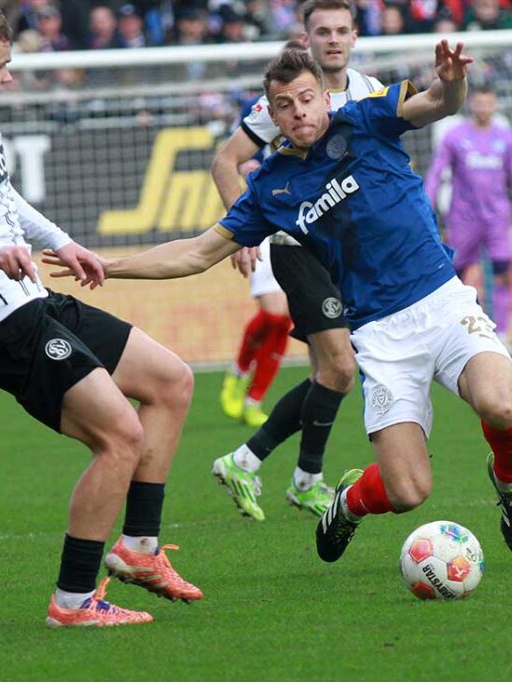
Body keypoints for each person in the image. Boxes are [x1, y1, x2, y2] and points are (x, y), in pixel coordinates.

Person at [44, 42, 512, 565]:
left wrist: (453, 79)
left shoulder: (367, 118)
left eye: (306, 98)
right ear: (272, 114)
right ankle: (347, 503)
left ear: (324, 97)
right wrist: (109, 265)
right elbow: (196, 253)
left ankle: (510, 483)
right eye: (285, 104)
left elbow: (439, 102)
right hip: (378, 334)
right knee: (407, 491)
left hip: (441, 300)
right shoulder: (271, 189)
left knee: (500, 404)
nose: (299, 110)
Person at [0, 1, 201, 629]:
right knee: (120, 438)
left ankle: (139, 550)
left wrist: (59, 241)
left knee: (171, 382)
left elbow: (3, 196)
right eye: (3, 66)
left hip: (33, 297)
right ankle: (73, 601)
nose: (10, 78)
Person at [210, 0, 383, 521]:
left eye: (341, 31)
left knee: (327, 377)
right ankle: (284, 472)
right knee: (341, 368)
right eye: (321, 31)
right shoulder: (284, 103)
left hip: (342, 252)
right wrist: (243, 232)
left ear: (354, 37)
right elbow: (224, 161)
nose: (332, 39)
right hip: (296, 246)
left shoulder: (369, 93)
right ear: (305, 40)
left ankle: (273, 469)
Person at [425, 85, 512, 356]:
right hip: (463, 219)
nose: (484, 108)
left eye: (489, 103)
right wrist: (427, 207)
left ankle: (503, 334)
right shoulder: (455, 136)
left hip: (497, 218)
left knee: (503, 274)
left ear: (495, 105)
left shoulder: (506, 138)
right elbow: (437, 172)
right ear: (471, 104)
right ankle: (452, 335)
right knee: (454, 278)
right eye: (479, 103)